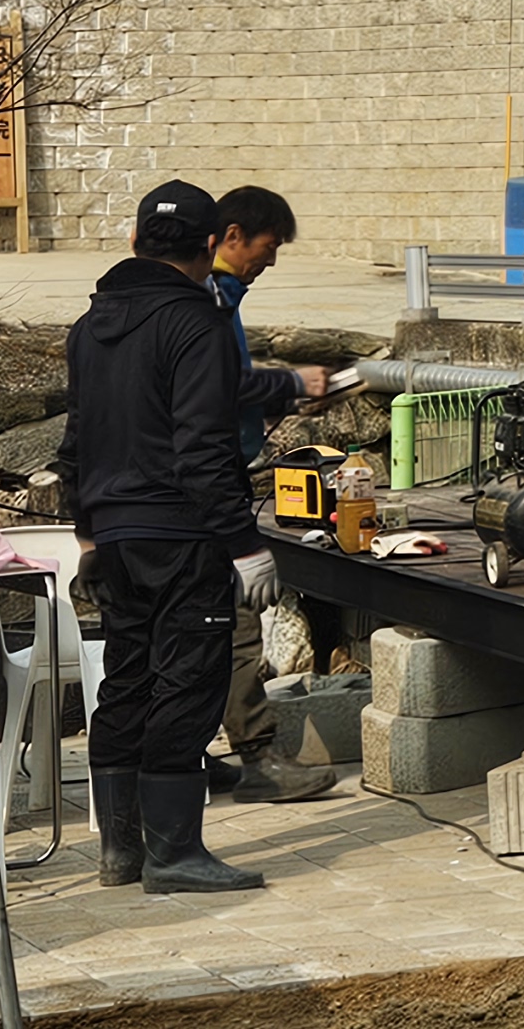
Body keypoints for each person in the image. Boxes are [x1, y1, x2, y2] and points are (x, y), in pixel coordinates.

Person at [55, 180, 269, 893]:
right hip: (181, 535)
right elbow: (204, 451)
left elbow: (76, 442)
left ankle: (121, 853)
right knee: (187, 684)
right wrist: (246, 546)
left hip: (113, 538)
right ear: (210, 246)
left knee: (127, 681)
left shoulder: (88, 327)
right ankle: (174, 856)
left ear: (135, 241)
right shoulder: (197, 324)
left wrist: (88, 535)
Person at [203, 185, 336, 804]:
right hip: (207, 488)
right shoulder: (205, 299)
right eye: (268, 246)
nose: (272, 259)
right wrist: (290, 383)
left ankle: (186, 754)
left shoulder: (209, 297)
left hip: (190, 487)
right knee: (233, 623)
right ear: (232, 236)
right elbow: (219, 387)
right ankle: (258, 757)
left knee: (198, 633)